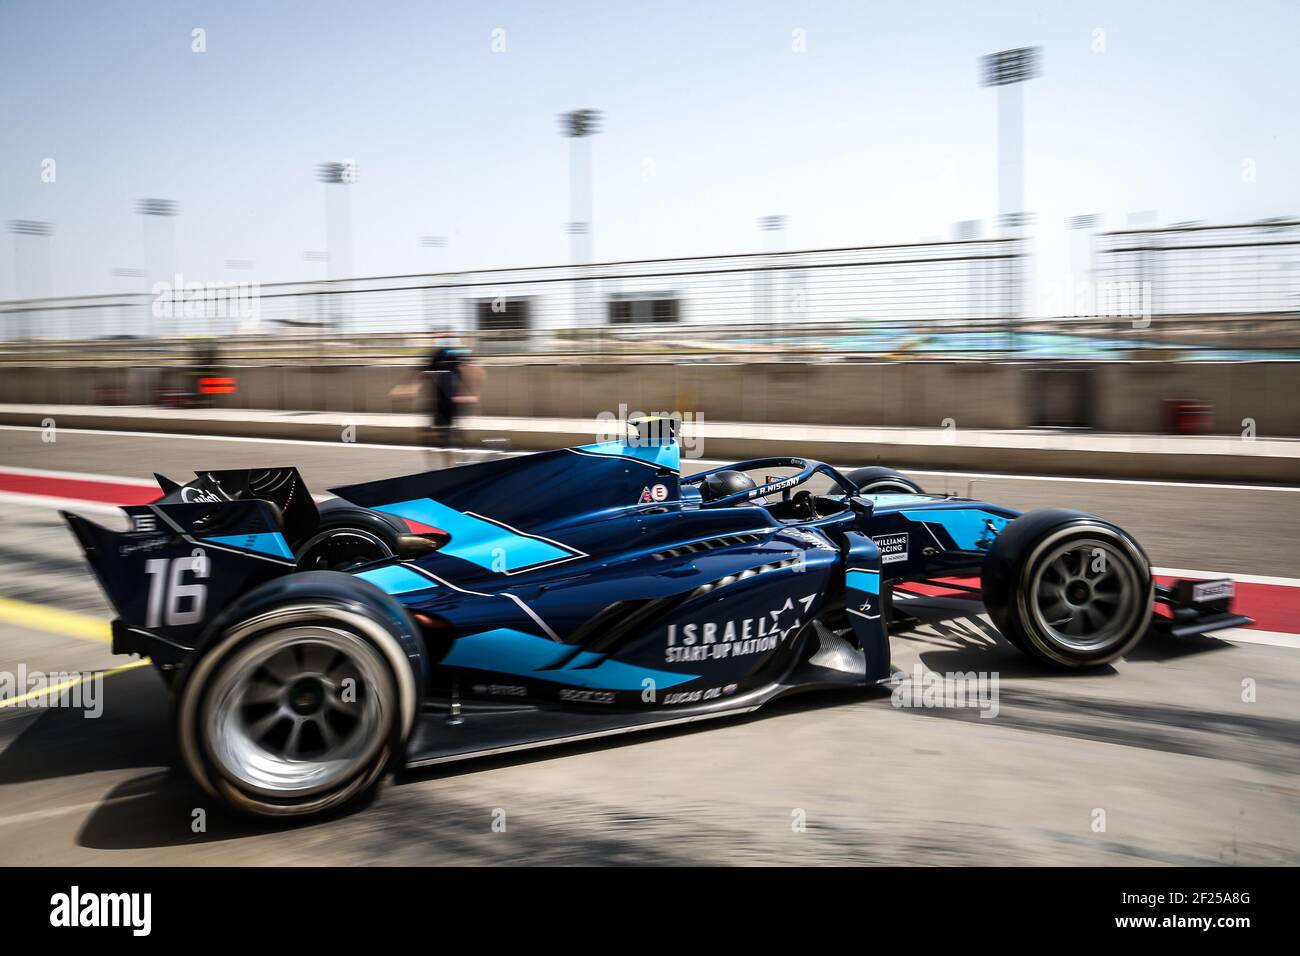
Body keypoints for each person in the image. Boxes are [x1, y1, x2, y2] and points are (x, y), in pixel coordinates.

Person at [391, 337, 483, 468]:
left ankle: (451, 461)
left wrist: (470, 391)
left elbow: (470, 371)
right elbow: (420, 373)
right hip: (438, 402)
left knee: (444, 435)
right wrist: (408, 388)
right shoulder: (438, 356)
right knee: (441, 434)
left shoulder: (451, 356)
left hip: (448, 402)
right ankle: (450, 460)